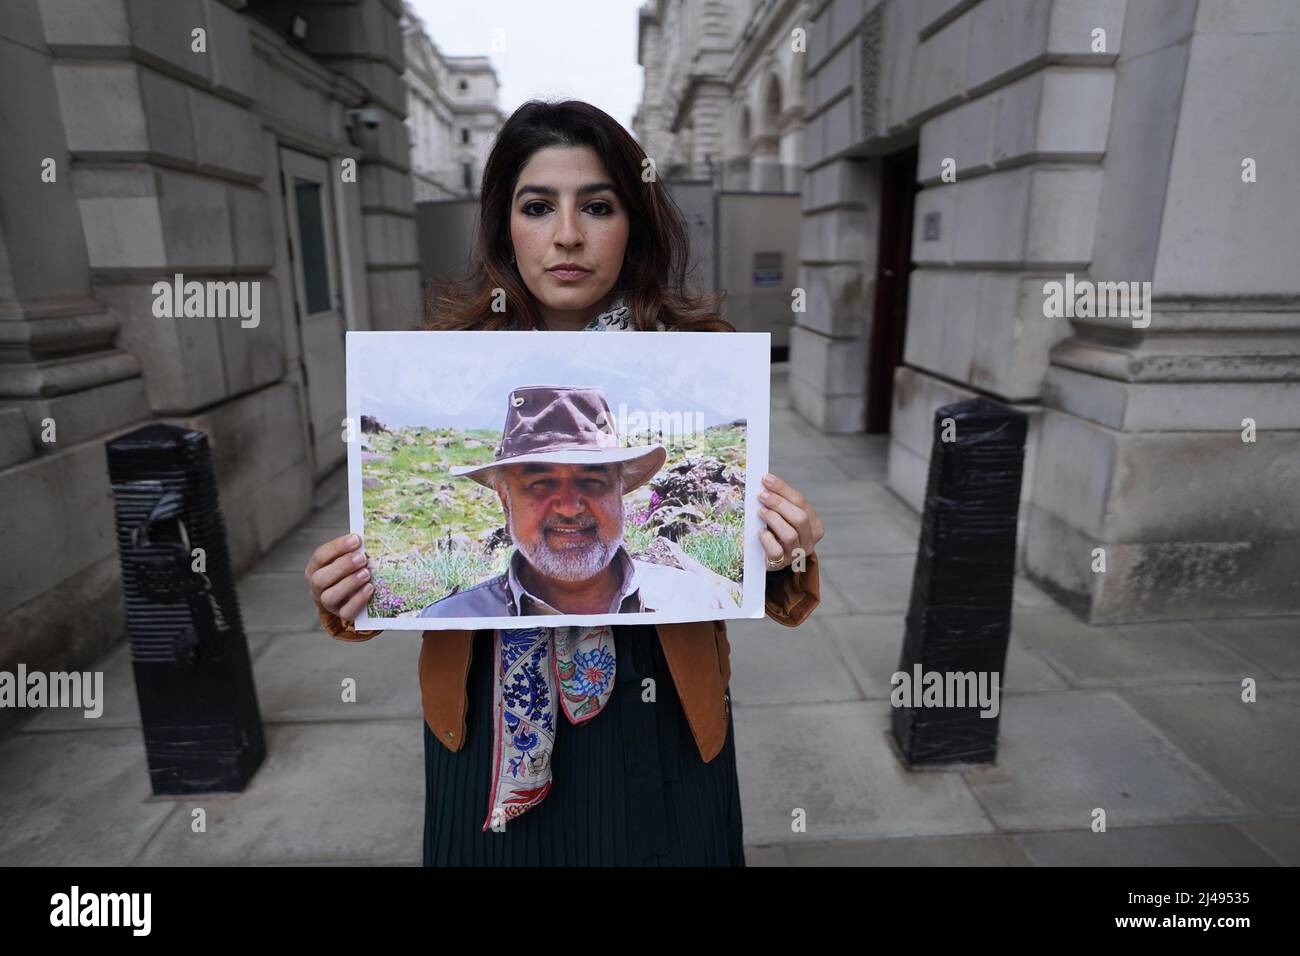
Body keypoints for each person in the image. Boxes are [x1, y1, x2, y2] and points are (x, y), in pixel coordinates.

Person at [306, 99, 824, 866]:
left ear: (634, 223)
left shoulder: (696, 358)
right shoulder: (447, 356)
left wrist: (790, 552)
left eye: (599, 206)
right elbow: (394, 581)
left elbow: (760, 569)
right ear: (502, 225)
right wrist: (351, 587)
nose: (568, 235)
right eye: (538, 206)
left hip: (662, 710)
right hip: (486, 723)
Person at [416, 383, 737, 619]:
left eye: (592, 481)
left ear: (620, 494)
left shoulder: (700, 602)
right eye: (540, 483)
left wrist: (782, 574)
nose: (569, 507)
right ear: (505, 503)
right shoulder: (451, 620)